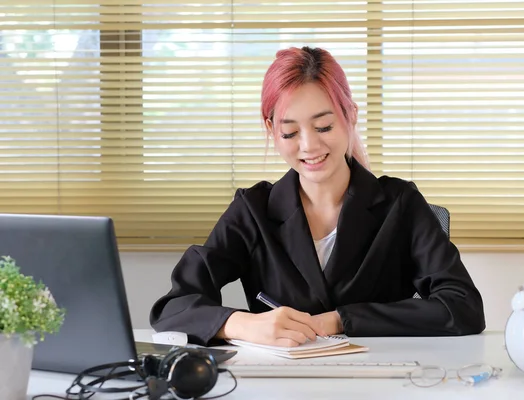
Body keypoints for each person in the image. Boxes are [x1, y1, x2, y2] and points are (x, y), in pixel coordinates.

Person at [149, 46, 485, 347]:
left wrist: (342, 319)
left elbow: (462, 306)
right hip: (283, 385)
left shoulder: (400, 203)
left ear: (350, 116)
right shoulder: (253, 210)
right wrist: (241, 324)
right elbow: (173, 307)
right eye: (290, 132)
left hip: (381, 380)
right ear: (271, 130)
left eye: (323, 127)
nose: (309, 146)